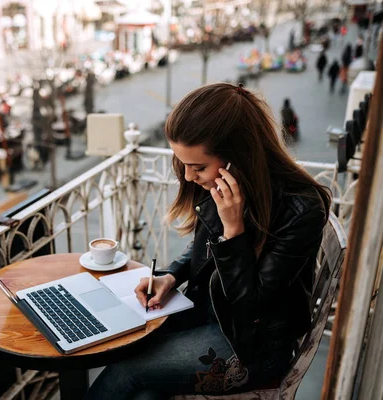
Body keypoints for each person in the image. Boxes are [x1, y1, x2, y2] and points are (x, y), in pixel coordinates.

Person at [84, 83, 330, 400]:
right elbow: (204, 249)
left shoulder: (301, 208)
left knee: (126, 370)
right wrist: (171, 276)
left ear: (238, 158)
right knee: (141, 386)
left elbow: (251, 309)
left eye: (197, 167)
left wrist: (233, 230)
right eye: (183, 163)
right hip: (206, 314)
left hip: (252, 346)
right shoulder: (224, 183)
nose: (188, 177)